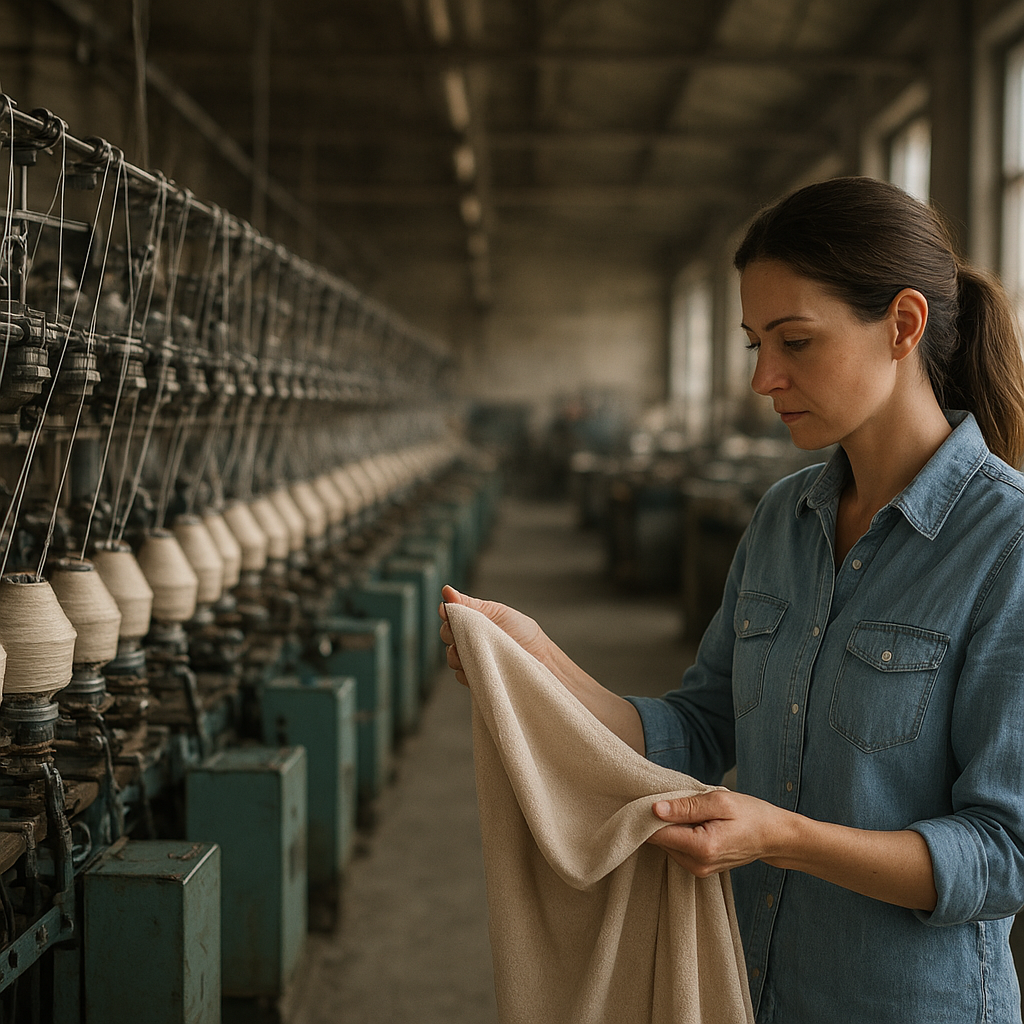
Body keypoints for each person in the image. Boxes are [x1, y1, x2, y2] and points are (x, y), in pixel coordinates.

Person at [439, 176, 1024, 1022]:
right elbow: (697, 730)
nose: (763, 378)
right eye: (755, 343)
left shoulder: (1003, 546)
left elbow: (1004, 856)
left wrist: (783, 837)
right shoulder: (786, 519)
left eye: (795, 342)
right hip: (748, 991)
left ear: (903, 325)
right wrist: (535, 659)